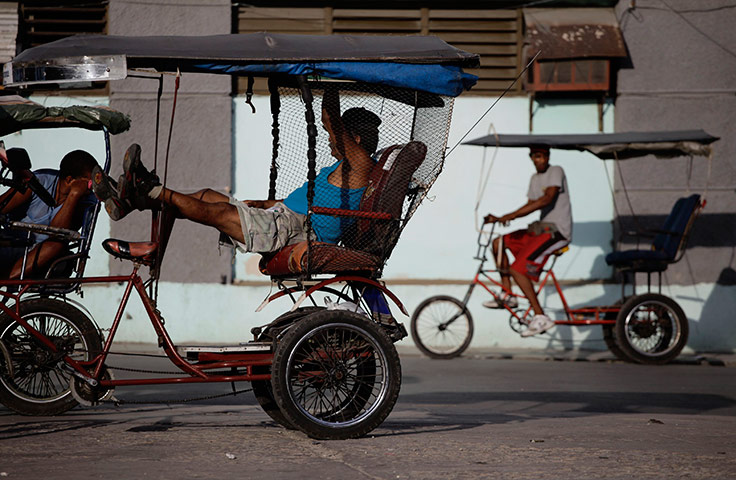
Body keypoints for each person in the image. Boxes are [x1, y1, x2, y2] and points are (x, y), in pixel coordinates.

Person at [94, 88, 381, 254]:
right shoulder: (343, 167)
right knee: (207, 196)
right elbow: (311, 199)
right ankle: (133, 202)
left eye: (337, 137)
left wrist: (325, 74)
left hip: (298, 231)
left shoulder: (362, 166)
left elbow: (330, 120)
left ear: (353, 139)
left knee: (219, 214)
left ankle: (147, 188)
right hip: (284, 217)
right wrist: (270, 203)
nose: (331, 141)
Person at [483, 145, 572, 337]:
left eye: (542, 156)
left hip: (558, 232)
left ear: (548, 157)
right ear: (531, 157)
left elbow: (546, 199)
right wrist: (500, 218)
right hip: (540, 230)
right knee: (498, 243)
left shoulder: (556, 171)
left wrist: (511, 216)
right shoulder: (535, 178)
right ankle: (508, 294)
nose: (538, 160)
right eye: (535, 156)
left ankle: (540, 317)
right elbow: (531, 204)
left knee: (517, 269)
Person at [0, 149, 99, 279]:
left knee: (58, 244)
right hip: (11, 241)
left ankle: (8, 279)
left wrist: (73, 195)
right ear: (69, 180)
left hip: (41, 253)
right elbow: (3, 206)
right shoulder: (40, 182)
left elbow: (58, 232)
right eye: (90, 183)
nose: (92, 188)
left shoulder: (87, 201)